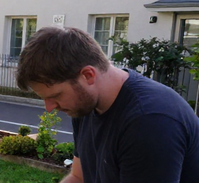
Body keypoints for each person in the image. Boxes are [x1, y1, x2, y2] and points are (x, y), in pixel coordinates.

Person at [16, 26, 199, 183]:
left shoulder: (150, 121)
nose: (49, 107)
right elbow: (80, 177)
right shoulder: (84, 104)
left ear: (88, 75)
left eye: (56, 95)